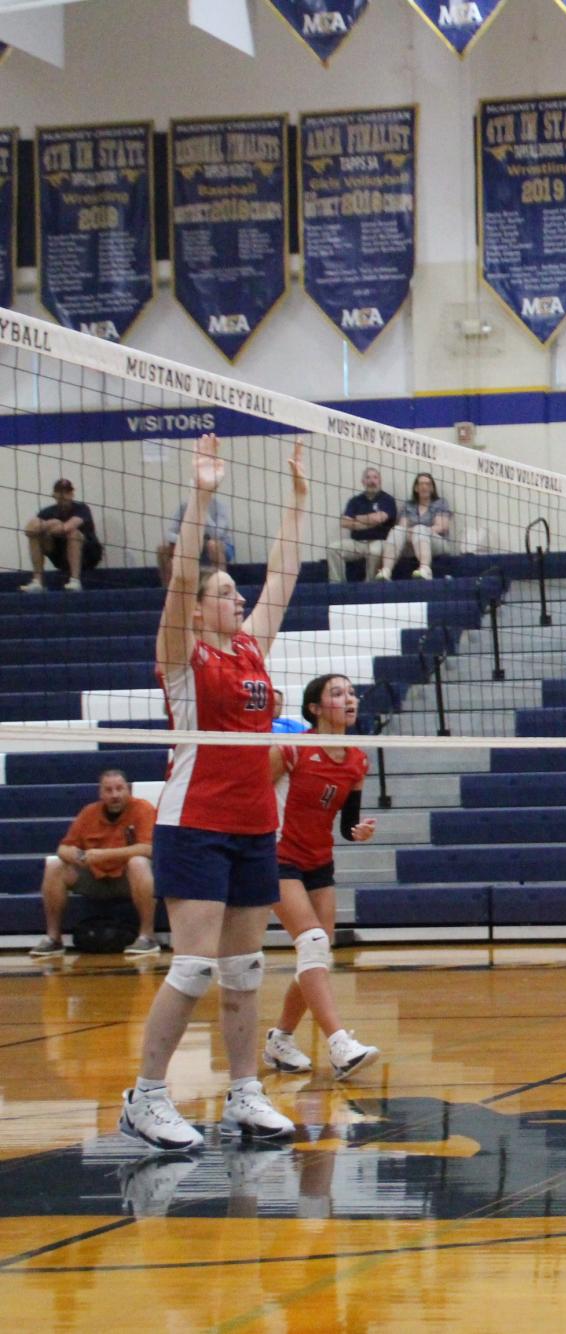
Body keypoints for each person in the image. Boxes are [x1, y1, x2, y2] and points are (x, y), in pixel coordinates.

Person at [120, 432, 305, 1151]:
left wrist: (296, 503)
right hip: (193, 822)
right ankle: (148, 1094)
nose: (235, 598)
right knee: (193, 965)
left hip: (254, 824)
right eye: (222, 593)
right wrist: (201, 496)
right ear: (198, 611)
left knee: (244, 968)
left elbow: (283, 578)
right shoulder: (182, 656)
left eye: (235, 592)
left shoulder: (253, 647)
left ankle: (245, 1091)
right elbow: (180, 580)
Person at [261, 673, 382, 1081]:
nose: (349, 699)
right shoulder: (292, 749)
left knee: (317, 953)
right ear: (314, 708)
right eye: (337, 693)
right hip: (277, 856)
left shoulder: (357, 759)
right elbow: (250, 795)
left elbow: (346, 824)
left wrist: (357, 831)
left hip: (318, 861)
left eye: (351, 693)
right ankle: (339, 1045)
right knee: (312, 943)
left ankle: (280, 1039)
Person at [31, 769, 157, 957]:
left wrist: (104, 855)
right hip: (95, 877)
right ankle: (53, 939)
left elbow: (149, 849)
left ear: (128, 790)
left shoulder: (143, 808)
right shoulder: (89, 812)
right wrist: (74, 854)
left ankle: (147, 936)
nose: (115, 795)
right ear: (100, 793)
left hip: (126, 879)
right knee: (54, 865)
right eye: (109, 790)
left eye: (119, 789)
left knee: (139, 862)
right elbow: (62, 848)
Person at [24, 478, 102, 591]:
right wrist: (51, 523)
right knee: (35, 535)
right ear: (54, 494)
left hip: (88, 556)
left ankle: (75, 581)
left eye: (67, 492)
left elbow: (67, 528)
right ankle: (37, 581)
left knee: (73, 533)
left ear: (72, 494)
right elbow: (29, 530)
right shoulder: (47, 512)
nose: (64, 495)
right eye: (60, 492)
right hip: (61, 556)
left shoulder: (82, 508)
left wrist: (48, 526)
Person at [377, 472, 453, 580]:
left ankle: (425, 569)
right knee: (397, 530)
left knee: (420, 529)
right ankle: (386, 571)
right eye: (421, 484)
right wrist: (415, 532)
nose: (424, 487)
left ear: (432, 488)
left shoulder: (440, 503)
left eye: (427, 484)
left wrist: (419, 530)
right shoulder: (409, 505)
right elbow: (402, 527)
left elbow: (442, 527)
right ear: (416, 488)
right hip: (413, 542)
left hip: (437, 543)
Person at [332, 466, 396, 583]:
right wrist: (369, 522)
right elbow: (344, 522)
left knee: (375, 551)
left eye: (375, 477)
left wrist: (356, 518)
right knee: (333, 548)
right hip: (357, 543)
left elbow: (379, 519)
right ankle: (336, 584)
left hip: (379, 541)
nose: (372, 481)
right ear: (363, 482)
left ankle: (370, 583)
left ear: (379, 481)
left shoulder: (387, 500)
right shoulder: (355, 501)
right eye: (368, 478)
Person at [155, 494, 232, 586]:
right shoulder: (184, 506)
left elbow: (217, 534)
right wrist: (187, 540)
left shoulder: (219, 507)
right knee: (164, 547)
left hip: (219, 546)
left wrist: (202, 510)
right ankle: (169, 587)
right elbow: (170, 533)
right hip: (191, 544)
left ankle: (221, 585)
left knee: (213, 544)